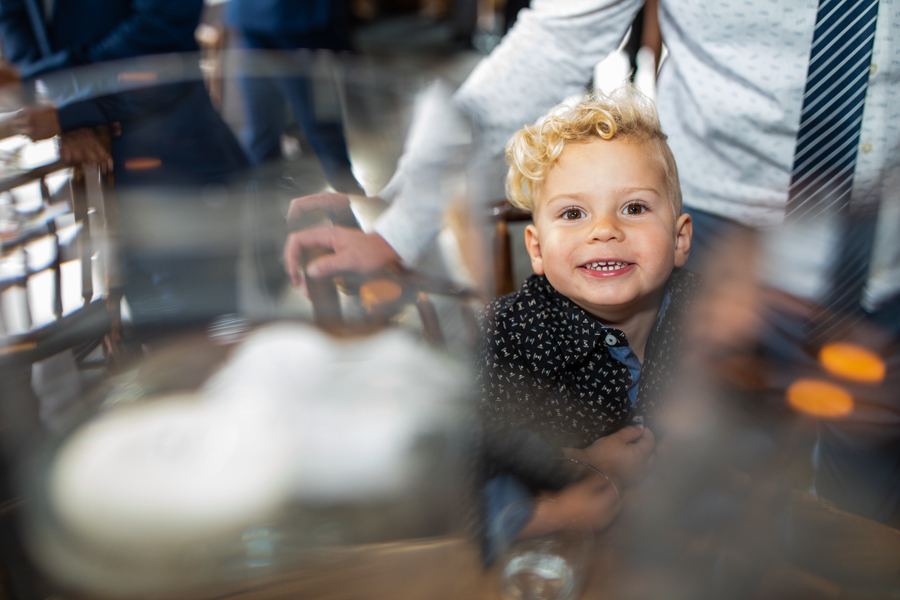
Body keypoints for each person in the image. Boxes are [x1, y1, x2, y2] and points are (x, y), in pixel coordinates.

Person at [477, 89, 699, 550]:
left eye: (634, 208)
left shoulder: (704, 317)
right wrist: (578, 469)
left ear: (679, 240)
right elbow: (456, 473)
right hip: (549, 553)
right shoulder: (508, 335)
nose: (604, 230)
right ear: (536, 249)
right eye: (574, 213)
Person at [0, 0, 250, 332]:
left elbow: (164, 36)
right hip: (102, 196)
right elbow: (14, 15)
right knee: (152, 346)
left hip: (174, 168)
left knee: (202, 343)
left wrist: (75, 107)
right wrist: (62, 97)